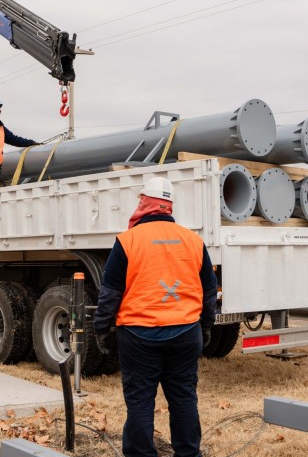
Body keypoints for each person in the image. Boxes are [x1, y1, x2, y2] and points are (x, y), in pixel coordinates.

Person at [93, 177, 217, 457]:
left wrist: (101, 328)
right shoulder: (193, 240)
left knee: (140, 402)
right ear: (168, 206)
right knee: (184, 399)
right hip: (186, 333)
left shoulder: (128, 241)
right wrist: (206, 326)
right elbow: (209, 290)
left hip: (139, 336)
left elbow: (110, 292)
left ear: (145, 204)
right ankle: (188, 453)